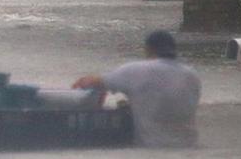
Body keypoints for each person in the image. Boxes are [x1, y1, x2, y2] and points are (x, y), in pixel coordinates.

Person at [72, 30, 201, 148]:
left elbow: (89, 83)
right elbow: (168, 100)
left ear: (148, 49)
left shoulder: (136, 70)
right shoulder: (191, 75)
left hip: (153, 147)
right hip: (190, 146)